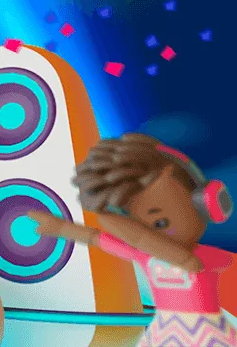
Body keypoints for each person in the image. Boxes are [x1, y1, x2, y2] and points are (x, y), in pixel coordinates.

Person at [30, 133, 235, 347]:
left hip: (208, 334)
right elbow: (95, 238)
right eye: (140, 224)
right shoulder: (145, 253)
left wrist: (118, 224)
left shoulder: (201, 258)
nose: (146, 234)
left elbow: (185, 261)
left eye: (161, 223)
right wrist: (62, 228)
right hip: (163, 331)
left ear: (205, 203)